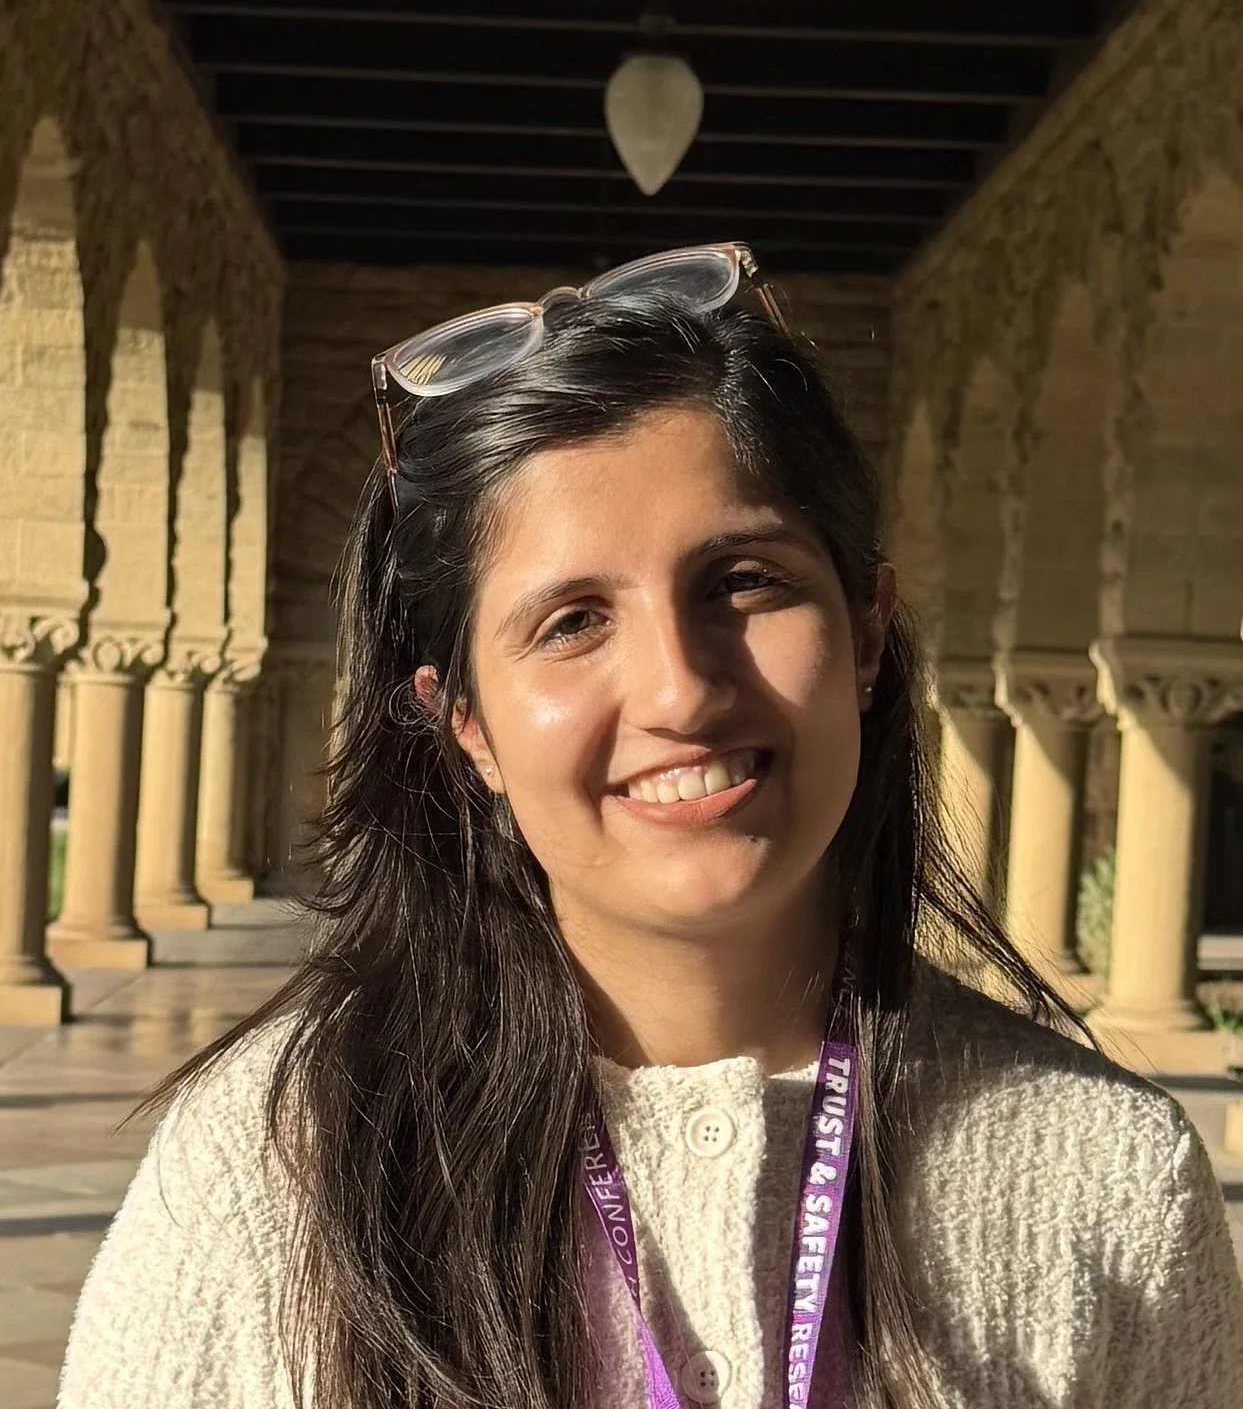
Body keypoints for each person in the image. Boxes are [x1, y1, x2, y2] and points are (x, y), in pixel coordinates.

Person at [58, 245, 1241, 1409]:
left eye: (743, 579)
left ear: (868, 628)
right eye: (571, 620)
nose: (680, 690)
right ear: (463, 719)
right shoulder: (275, 1166)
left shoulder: (1106, 1175)